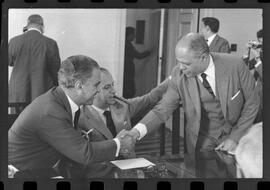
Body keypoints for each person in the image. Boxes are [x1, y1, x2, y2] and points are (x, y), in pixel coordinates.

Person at [126, 33, 259, 154]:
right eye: (179, 62)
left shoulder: (235, 65)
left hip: (238, 136)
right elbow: (162, 109)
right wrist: (135, 133)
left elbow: (252, 103)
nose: (181, 67)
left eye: (186, 63)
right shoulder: (178, 74)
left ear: (203, 57)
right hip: (201, 140)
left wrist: (235, 137)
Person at [8, 55, 134, 178]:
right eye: (96, 85)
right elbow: (84, 153)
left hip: (42, 167)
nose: (98, 90)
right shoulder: (50, 111)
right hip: (19, 173)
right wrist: (119, 143)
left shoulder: (61, 99)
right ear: (79, 86)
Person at [9, 14, 61, 104]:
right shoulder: (50, 43)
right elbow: (56, 71)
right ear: (42, 26)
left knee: (17, 118)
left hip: (18, 94)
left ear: (28, 25)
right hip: (42, 93)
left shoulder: (14, 41)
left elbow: (9, 62)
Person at [123, 27, 153, 99]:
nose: (134, 36)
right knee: (130, 91)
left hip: (127, 69)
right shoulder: (127, 45)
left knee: (128, 90)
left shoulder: (126, 43)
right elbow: (139, 56)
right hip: (127, 69)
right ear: (129, 34)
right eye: (133, 34)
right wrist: (150, 52)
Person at [242, 29, 263, 123]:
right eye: (260, 43)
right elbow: (244, 68)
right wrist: (247, 52)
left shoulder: (260, 56)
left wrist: (258, 59)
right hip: (256, 94)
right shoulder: (261, 54)